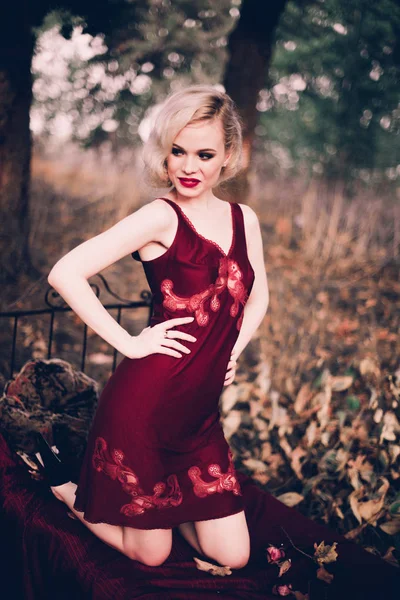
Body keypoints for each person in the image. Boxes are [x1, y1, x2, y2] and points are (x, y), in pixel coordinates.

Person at [36, 84, 269, 569]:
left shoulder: (243, 219)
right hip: (145, 408)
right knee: (154, 554)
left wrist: (233, 351)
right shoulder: (158, 217)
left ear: (228, 155)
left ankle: (172, 504)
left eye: (204, 154)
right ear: (164, 154)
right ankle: (66, 491)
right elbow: (65, 272)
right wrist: (128, 341)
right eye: (177, 151)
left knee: (235, 555)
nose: (189, 167)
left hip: (199, 417)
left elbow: (259, 295)